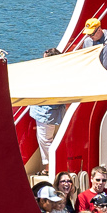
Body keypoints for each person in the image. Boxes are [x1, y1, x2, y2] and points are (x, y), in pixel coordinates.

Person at [27, 47, 69, 176]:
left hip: (46, 112)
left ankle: (49, 168)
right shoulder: (61, 74)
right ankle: (50, 166)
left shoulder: (48, 75)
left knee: (45, 140)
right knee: (47, 139)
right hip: (51, 111)